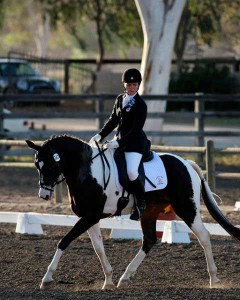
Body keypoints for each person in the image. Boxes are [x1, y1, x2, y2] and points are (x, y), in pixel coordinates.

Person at [89, 68, 151, 221]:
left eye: (134, 84)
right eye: (128, 84)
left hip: (135, 145)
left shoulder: (141, 105)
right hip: (119, 142)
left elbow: (136, 130)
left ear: (138, 86)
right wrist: (100, 135)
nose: (131, 87)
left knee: (131, 172)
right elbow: (113, 121)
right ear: (124, 85)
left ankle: (141, 203)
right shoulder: (119, 99)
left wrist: (118, 143)